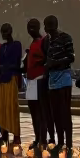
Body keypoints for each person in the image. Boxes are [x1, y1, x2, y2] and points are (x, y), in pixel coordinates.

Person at [43, 15, 74, 153]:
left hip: (64, 77)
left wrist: (55, 63)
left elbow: (71, 57)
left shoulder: (65, 38)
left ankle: (69, 143)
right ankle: (60, 141)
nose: (48, 28)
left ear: (56, 24)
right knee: (55, 113)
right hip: (52, 78)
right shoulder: (46, 41)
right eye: (47, 25)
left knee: (65, 112)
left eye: (51, 25)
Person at [0, 23, 22, 143]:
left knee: (11, 107)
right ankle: (4, 133)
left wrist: (5, 67)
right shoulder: (2, 47)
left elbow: (17, 62)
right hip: (1, 79)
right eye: (2, 31)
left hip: (11, 77)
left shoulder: (16, 45)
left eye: (6, 31)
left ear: (10, 31)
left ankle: (16, 136)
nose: (4, 34)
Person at [23, 18, 48, 149]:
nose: (31, 29)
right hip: (31, 80)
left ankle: (43, 140)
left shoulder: (43, 41)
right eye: (29, 27)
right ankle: (37, 138)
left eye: (33, 26)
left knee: (41, 112)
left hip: (40, 79)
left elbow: (46, 59)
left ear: (38, 27)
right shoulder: (32, 43)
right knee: (33, 111)